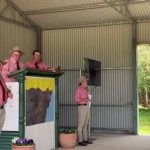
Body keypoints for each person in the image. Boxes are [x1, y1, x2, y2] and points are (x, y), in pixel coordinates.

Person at [75, 76, 93, 146]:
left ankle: (85, 139)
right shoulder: (78, 90)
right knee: (81, 125)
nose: (86, 82)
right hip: (82, 107)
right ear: (81, 82)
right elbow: (77, 100)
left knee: (85, 124)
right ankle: (80, 140)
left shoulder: (85, 90)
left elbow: (86, 98)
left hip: (86, 107)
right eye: (85, 81)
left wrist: (88, 98)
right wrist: (85, 100)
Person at [0, 60, 13, 134]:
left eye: (2, 65)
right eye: (0, 65)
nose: (1, 66)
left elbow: (4, 87)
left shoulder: (1, 77)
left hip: (2, 108)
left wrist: (8, 92)